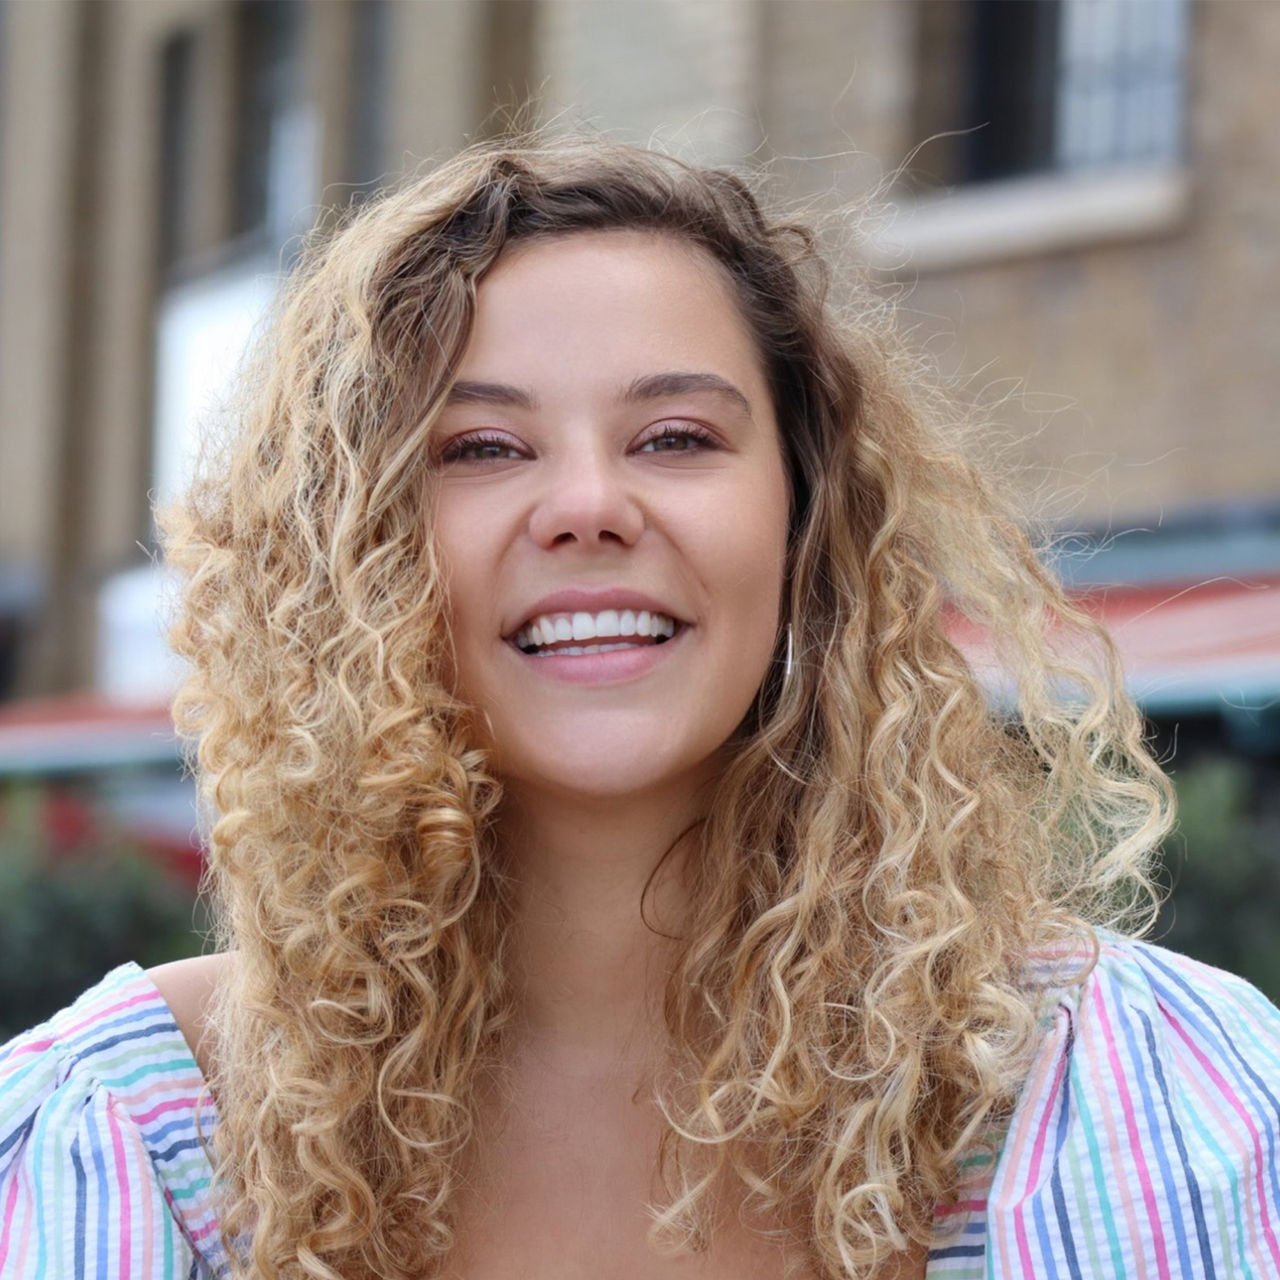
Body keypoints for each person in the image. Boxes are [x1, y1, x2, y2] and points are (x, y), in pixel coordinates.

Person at [2, 133, 1279, 1280]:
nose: (589, 504)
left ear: (808, 522)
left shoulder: (1131, 1095)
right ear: (350, 552)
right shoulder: (128, 1139)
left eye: (674, 436)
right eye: (482, 449)